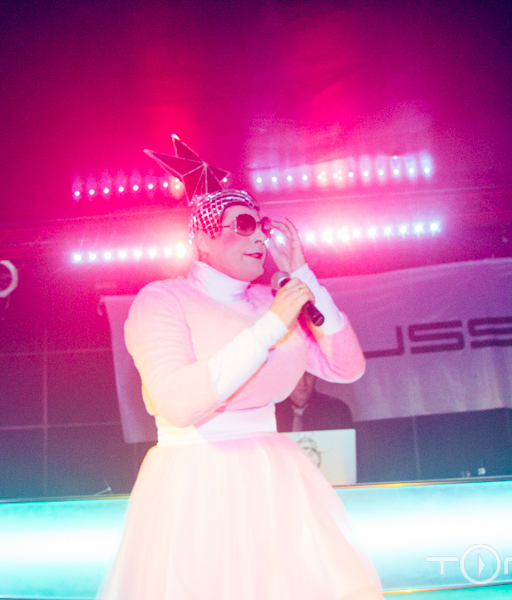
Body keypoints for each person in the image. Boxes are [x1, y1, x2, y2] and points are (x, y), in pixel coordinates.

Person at [97, 139, 382, 600]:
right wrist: (270, 327)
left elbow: (347, 367)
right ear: (204, 238)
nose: (259, 239)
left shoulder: (272, 299)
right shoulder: (163, 300)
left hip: (275, 473)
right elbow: (178, 403)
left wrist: (305, 278)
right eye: (244, 226)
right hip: (197, 477)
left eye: (261, 226)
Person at [275, 371, 356, 432]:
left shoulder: (337, 410)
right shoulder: (272, 411)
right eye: (296, 375)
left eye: (308, 374)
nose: (302, 383)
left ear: (316, 376)